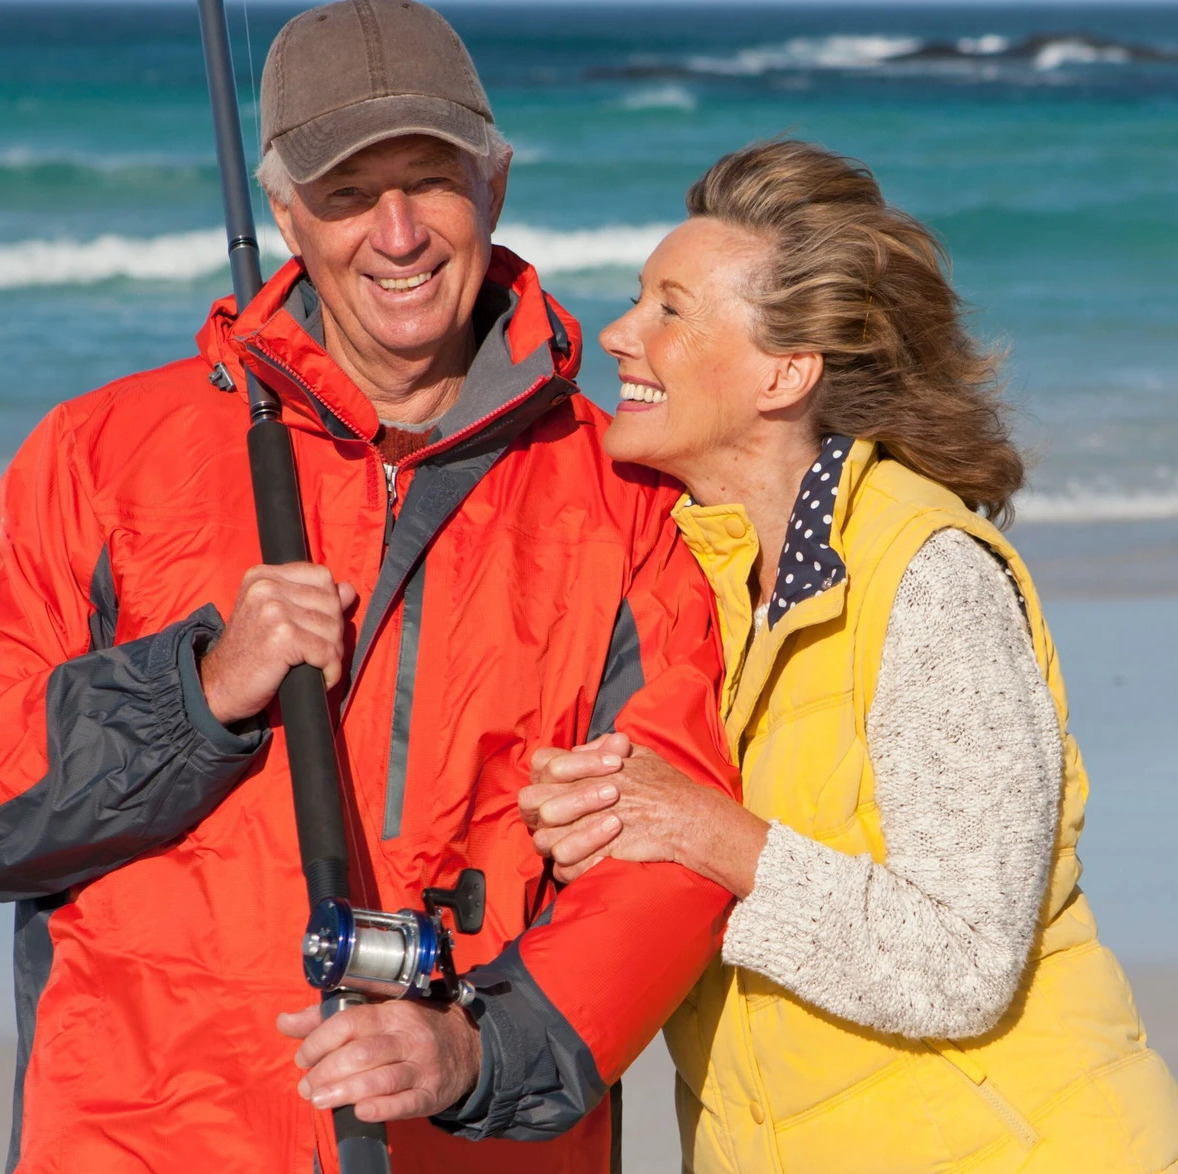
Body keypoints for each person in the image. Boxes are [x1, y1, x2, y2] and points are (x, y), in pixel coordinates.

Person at [0, 3, 740, 1172]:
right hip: (141, 1137)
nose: (396, 233)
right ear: (286, 210)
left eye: (430, 179)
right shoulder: (93, 457)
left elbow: (667, 853)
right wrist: (197, 693)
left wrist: (481, 1051)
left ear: (492, 183)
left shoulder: (624, 496)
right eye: (348, 192)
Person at [523, 139, 1178, 1173]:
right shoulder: (695, 582)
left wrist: (707, 833)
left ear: (784, 372)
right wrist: (601, 826)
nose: (616, 334)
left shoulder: (930, 580)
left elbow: (961, 961)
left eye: (669, 310)